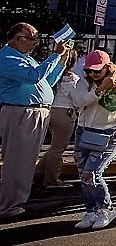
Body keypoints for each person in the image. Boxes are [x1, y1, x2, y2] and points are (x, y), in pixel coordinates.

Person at [0, 23, 70, 219]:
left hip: (35, 112)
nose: (34, 43)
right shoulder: (6, 58)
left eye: (35, 39)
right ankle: (8, 205)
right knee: (16, 161)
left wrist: (61, 62)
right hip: (21, 112)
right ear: (15, 39)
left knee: (27, 161)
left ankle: (17, 202)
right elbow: (34, 77)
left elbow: (46, 82)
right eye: (30, 39)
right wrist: (55, 56)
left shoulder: (26, 58)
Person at [68, 50, 116, 229]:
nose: (93, 74)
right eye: (90, 70)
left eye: (97, 71)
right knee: (83, 174)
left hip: (108, 133)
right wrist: (100, 89)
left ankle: (107, 208)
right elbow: (80, 101)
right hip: (84, 131)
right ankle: (91, 211)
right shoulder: (83, 82)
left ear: (108, 68)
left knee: (93, 173)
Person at [35, 52, 79, 189]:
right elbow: (77, 99)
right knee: (59, 148)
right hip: (65, 112)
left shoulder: (52, 76)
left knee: (54, 146)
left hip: (51, 110)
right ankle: (52, 180)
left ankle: (37, 174)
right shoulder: (71, 79)